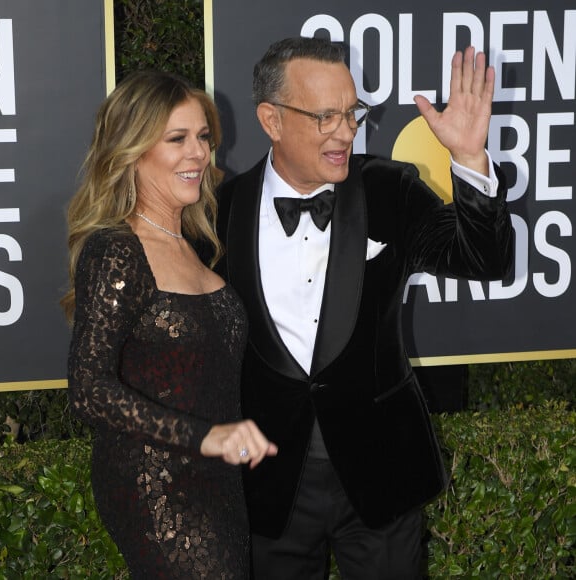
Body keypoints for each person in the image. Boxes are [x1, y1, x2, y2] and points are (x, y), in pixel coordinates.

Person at [216, 37, 513, 579]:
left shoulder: (387, 188)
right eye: (325, 116)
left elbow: (485, 259)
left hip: (381, 470)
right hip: (268, 485)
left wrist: (469, 158)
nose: (346, 131)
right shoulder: (221, 213)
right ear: (271, 119)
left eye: (351, 112)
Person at [62, 70, 277, 579]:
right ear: (133, 150)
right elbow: (88, 388)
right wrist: (203, 437)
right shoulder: (117, 249)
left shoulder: (197, 247)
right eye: (177, 139)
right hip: (156, 484)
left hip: (219, 481)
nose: (198, 153)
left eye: (203, 137)